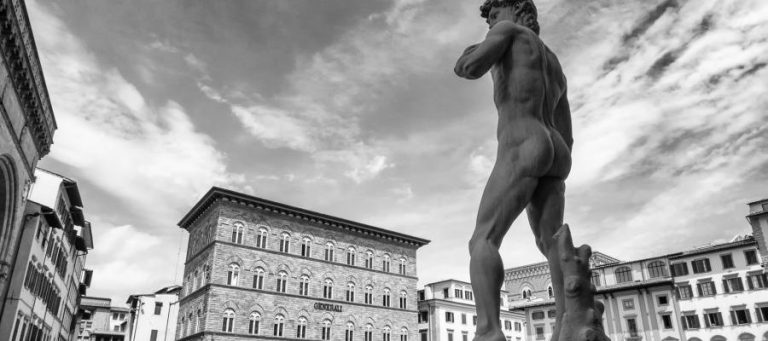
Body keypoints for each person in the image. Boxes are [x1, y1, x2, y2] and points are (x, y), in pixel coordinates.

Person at [454, 0, 572, 340]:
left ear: (517, 11)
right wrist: (556, 162)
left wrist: (470, 51)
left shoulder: (507, 31)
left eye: (493, 15)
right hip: (557, 150)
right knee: (552, 242)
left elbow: (469, 67)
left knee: (483, 238)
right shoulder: (553, 62)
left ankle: (489, 331)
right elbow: (567, 130)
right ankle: (568, 324)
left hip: (522, 138)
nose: (491, 23)